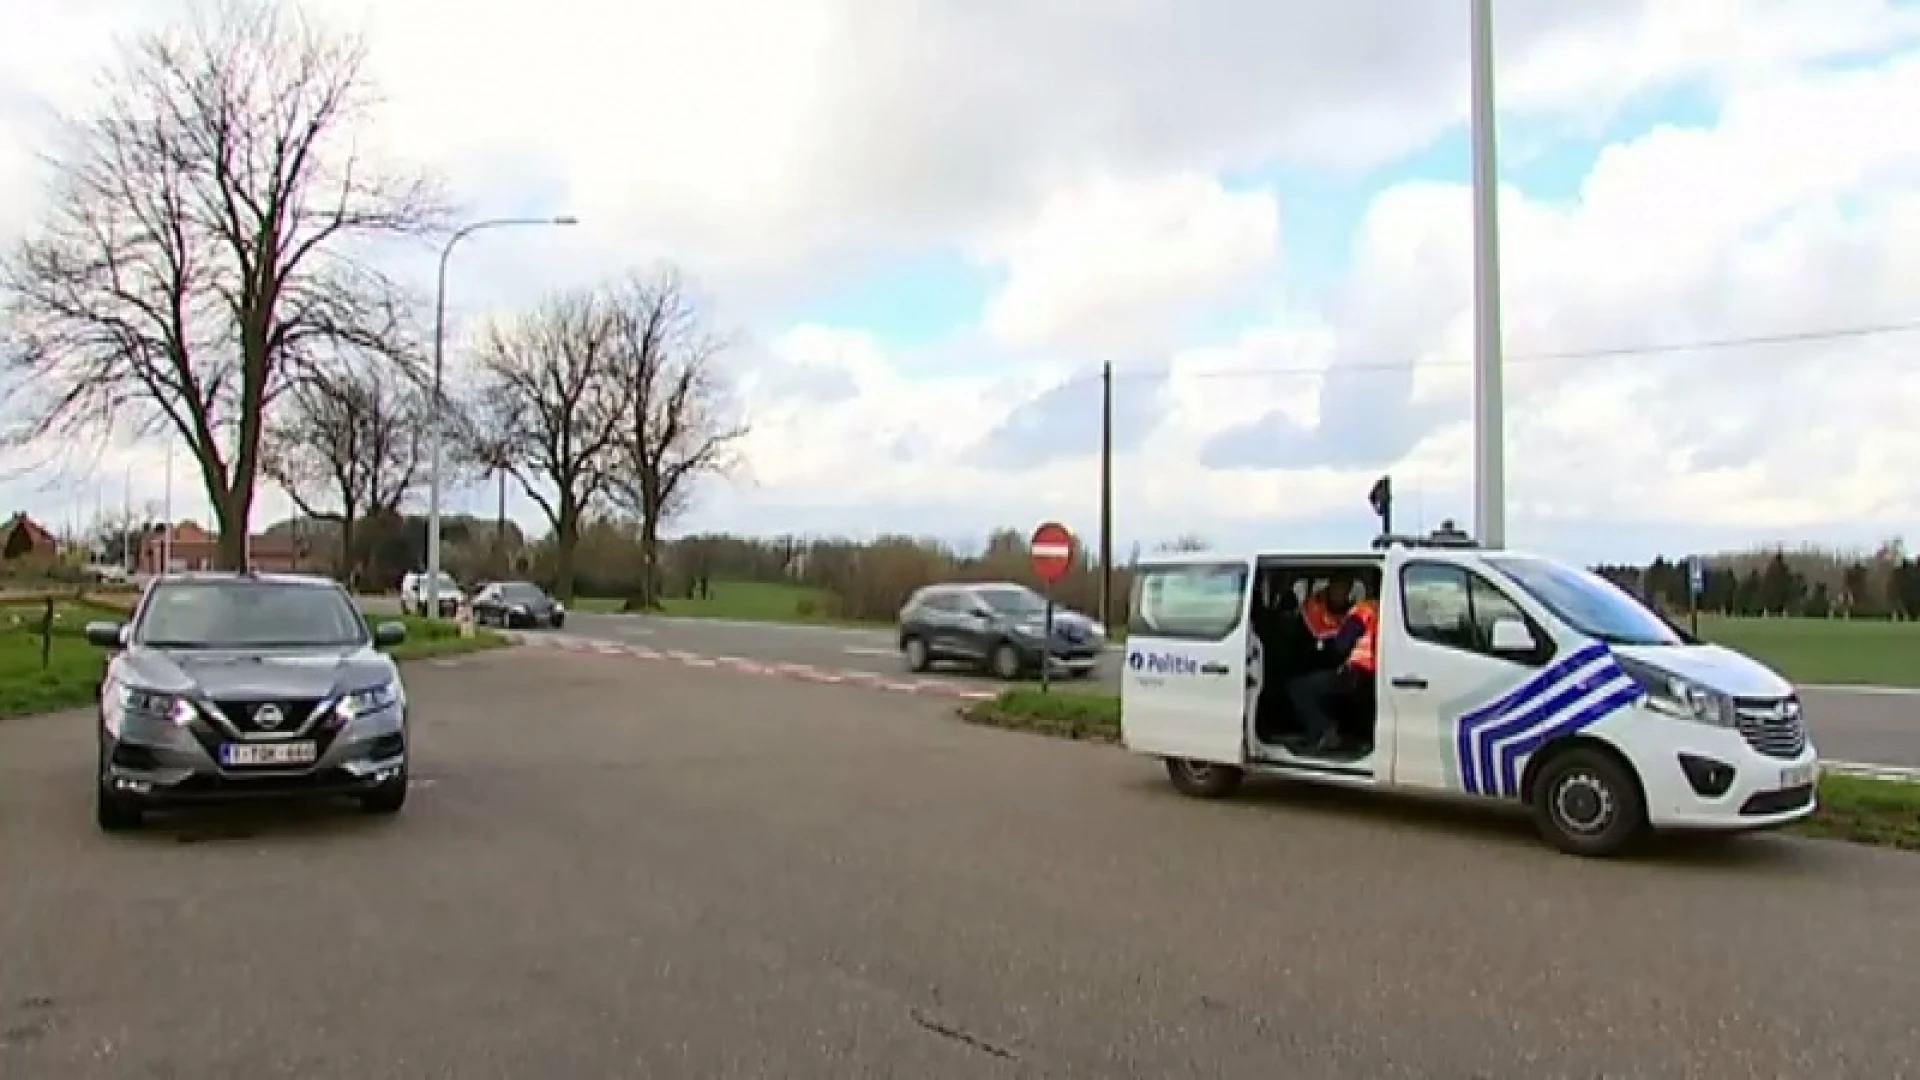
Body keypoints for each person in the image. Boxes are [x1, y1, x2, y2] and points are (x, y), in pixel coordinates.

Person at [1285, 573, 1379, 753]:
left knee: (1297, 688)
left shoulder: (1362, 610)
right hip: (1370, 676)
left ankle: (1325, 730)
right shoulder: (1382, 609)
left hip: (1356, 674)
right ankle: (1319, 735)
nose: (1342, 593)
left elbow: (1340, 646)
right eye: (1340, 587)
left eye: (1345, 588)